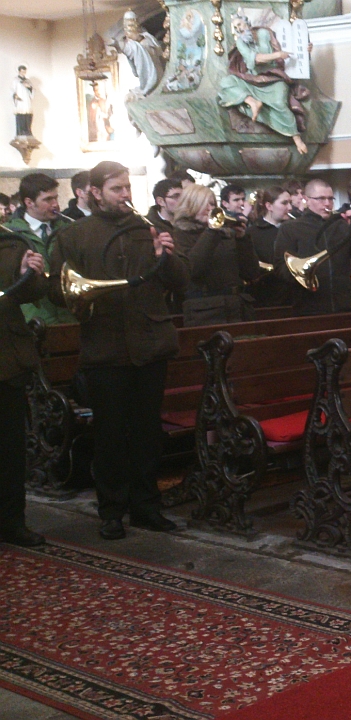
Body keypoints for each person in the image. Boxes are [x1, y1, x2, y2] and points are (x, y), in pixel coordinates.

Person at [47, 161, 189, 540]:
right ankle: (111, 510)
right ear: (95, 192)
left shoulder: (148, 228)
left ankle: (146, 507)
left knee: (147, 433)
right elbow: (60, 291)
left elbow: (181, 282)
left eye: (127, 187)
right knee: (109, 435)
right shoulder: (75, 235)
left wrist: (166, 257)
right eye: (116, 189)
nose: (125, 195)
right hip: (104, 348)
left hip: (150, 343)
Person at [0, 230, 48, 546]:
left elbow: (32, 293)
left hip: (6, 360)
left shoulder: (10, 243)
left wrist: (28, 274)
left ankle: (12, 522)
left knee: (10, 451)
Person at [274, 178, 351, 316]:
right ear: (307, 199)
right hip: (308, 306)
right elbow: (280, 268)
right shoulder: (291, 228)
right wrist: (302, 277)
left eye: (330, 199)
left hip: (343, 305)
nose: (327, 203)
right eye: (321, 199)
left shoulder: (341, 226)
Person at [217, 10, 309, 154]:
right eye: (235, 28)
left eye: (239, 24)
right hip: (253, 80)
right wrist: (277, 55)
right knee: (226, 82)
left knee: (279, 103)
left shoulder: (265, 34)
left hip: (274, 77)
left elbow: (289, 49)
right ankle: (252, 102)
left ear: (247, 22)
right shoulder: (240, 42)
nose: (239, 29)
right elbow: (255, 59)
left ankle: (297, 138)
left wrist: (304, 49)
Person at [172, 184, 258, 326]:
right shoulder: (180, 235)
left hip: (237, 307)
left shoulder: (226, 233)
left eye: (212, 204)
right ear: (190, 207)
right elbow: (193, 269)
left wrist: (242, 239)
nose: (210, 209)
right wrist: (211, 231)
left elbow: (251, 272)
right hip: (205, 311)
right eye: (203, 204)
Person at [4, 172, 76, 325]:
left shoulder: (69, 229)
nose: (55, 204)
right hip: (33, 318)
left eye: (56, 198)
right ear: (29, 202)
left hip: (68, 315)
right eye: (48, 199)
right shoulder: (10, 234)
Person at [247, 185, 292, 307]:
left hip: (292, 296)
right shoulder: (252, 233)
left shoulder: (293, 229)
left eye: (290, 203)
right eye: (284, 203)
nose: (290, 208)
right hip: (266, 296)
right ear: (269, 206)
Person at [12, 65, 33, 137]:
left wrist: (29, 87)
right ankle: (21, 132)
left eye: (24, 72)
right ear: (19, 71)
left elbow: (32, 91)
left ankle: (27, 131)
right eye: (22, 71)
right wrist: (15, 95)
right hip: (20, 101)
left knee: (28, 116)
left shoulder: (28, 81)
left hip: (27, 101)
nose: (23, 73)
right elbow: (12, 90)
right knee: (21, 116)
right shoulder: (15, 80)